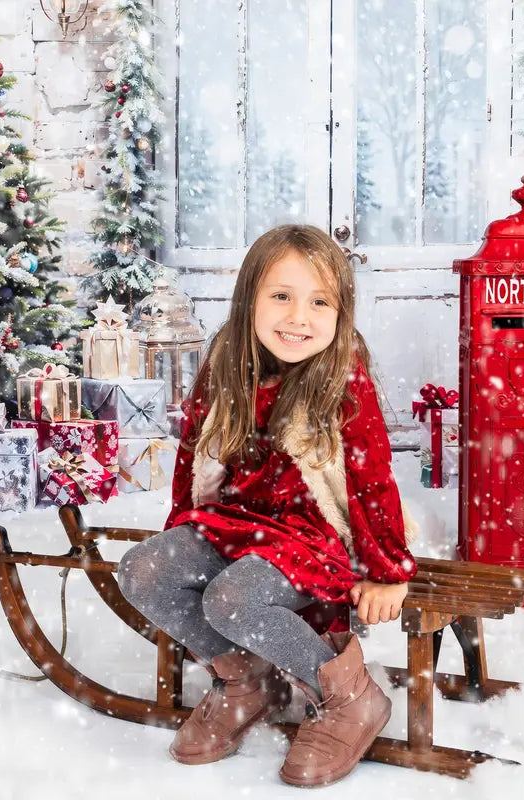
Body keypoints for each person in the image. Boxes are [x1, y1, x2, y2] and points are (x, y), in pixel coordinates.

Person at [117, 224, 417, 787]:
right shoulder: (227, 359)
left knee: (232, 599)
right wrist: (180, 530)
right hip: (236, 521)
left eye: (319, 301)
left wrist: (388, 571)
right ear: (248, 296)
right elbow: (195, 453)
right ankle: (244, 679)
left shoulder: (341, 374)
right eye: (281, 296)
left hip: (313, 534)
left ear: (340, 311)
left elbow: (371, 478)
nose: (298, 317)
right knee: (144, 570)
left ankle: (351, 695)